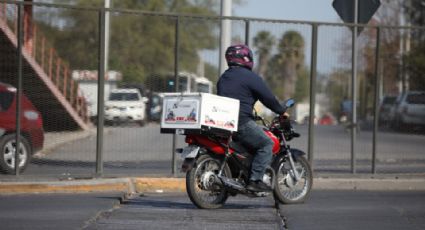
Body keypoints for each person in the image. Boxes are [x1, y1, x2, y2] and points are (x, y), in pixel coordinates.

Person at [217, 44, 288, 192]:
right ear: (246, 58)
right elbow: (268, 98)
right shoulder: (251, 77)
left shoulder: (224, 77)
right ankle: (255, 180)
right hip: (241, 122)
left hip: (223, 123)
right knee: (266, 144)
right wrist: (281, 111)